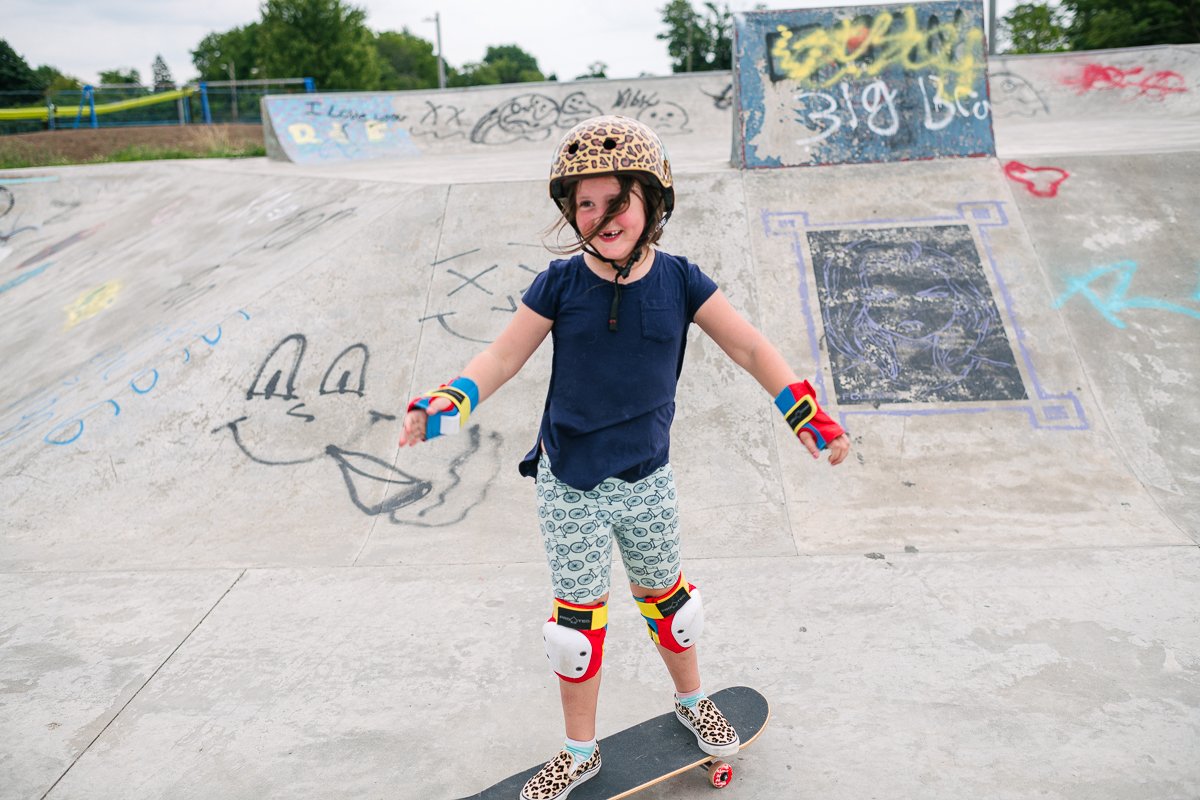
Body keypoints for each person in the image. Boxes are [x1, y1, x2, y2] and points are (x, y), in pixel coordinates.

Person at [401, 115, 850, 800]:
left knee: (671, 606)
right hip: (570, 483)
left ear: (653, 202)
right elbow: (502, 355)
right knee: (575, 631)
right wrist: (445, 403)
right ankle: (579, 752)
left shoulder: (680, 280)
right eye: (585, 203)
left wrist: (806, 415)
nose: (601, 215)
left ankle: (692, 700)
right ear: (568, 211)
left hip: (648, 480)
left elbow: (751, 348)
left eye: (617, 201)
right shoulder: (560, 283)